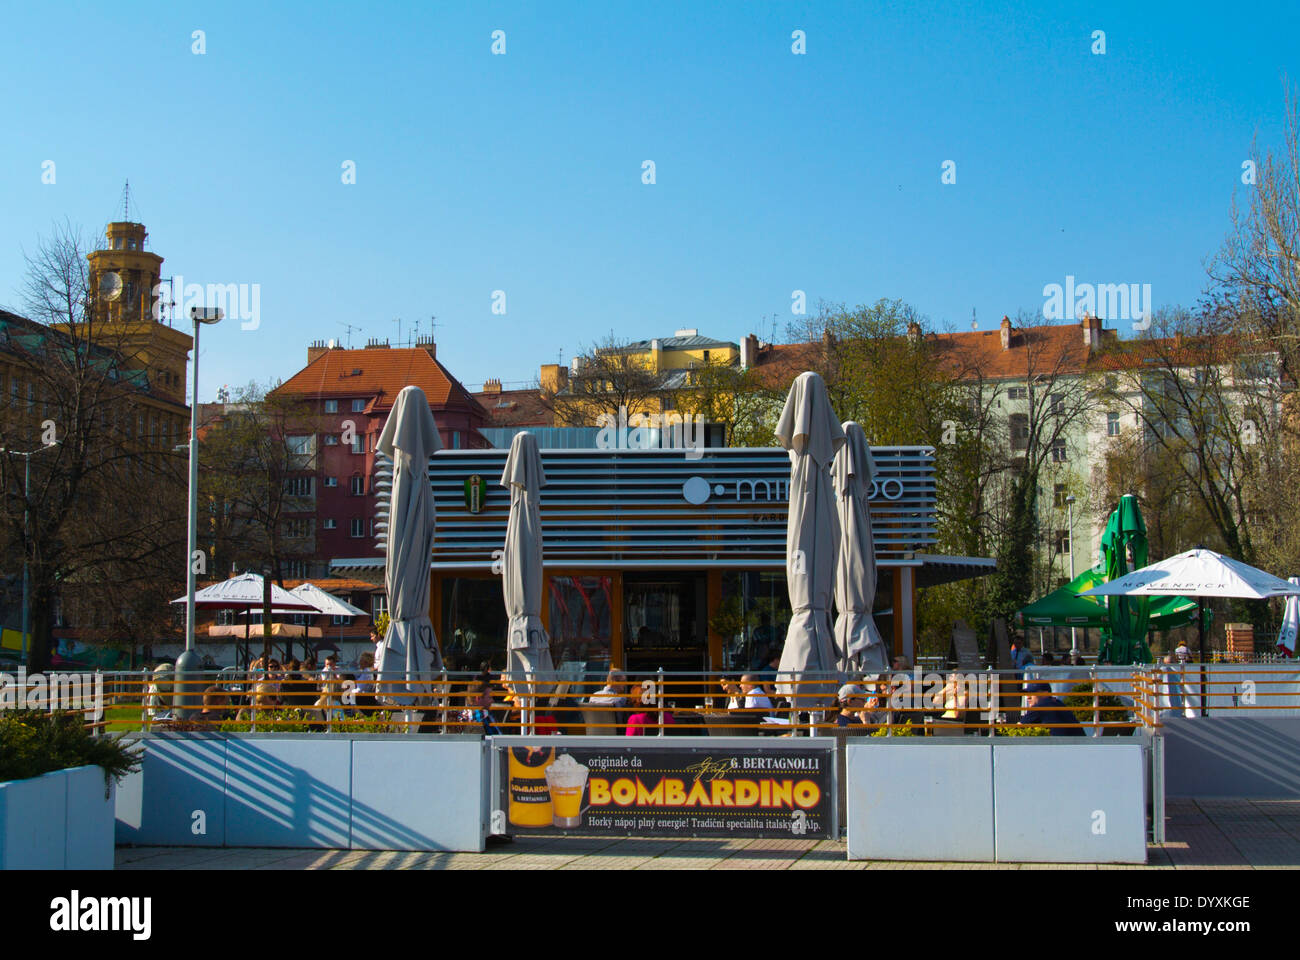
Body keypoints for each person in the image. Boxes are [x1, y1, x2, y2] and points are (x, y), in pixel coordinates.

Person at [1019, 683, 1084, 736]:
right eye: (1027, 694)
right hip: (1079, 746)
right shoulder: (1058, 703)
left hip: (1062, 747)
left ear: (1045, 693)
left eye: (1032, 693)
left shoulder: (1040, 706)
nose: (1028, 697)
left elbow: (1018, 728)